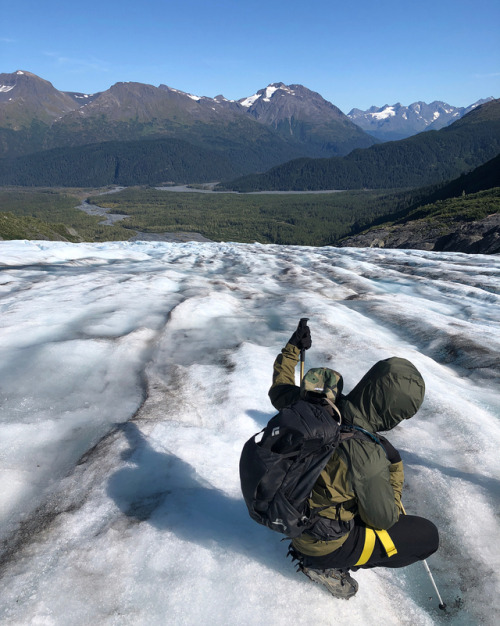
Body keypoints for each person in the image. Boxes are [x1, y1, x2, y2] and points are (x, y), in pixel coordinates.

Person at [268, 321, 439, 599]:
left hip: (288, 509)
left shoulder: (317, 406)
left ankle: (317, 546)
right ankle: (325, 565)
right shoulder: (367, 457)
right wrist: (394, 469)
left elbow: (280, 388)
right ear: (394, 412)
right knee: (426, 536)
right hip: (318, 541)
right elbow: (384, 518)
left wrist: (292, 349)